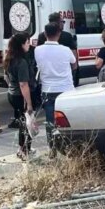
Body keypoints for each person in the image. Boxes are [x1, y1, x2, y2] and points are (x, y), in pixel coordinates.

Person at [34, 23, 76, 151]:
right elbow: (74, 64)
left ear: (45, 34)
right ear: (59, 34)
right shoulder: (66, 50)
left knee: (50, 122)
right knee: (68, 120)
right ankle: (68, 146)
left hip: (48, 90)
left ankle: (52, 148)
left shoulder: (38, 50)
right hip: (66, 89)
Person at [4, 33, 37, 159]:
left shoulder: (9, 58)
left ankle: (23, 148)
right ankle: (24, 150)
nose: (29, 45)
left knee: (23, 122)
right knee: (26, 123)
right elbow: (23, 84)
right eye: (27, 42)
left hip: (12, 93)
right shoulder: (21, 61)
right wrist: (29, 103)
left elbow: (7, 77)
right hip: (21, 96)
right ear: (21, 44)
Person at [37, 13, 79, 87]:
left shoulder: (41, 36)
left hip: (48, 77)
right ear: (57, 23)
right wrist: (74, 71)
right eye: (62, 22)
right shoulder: (67, 36)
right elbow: (74, 58)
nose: (63, 24)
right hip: (64, 76)